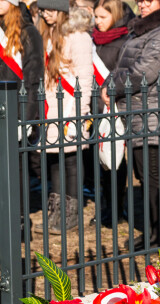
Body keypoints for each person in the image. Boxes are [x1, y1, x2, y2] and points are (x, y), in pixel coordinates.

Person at [103, 0, 160, 250]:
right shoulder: (144, 29)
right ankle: (155, 230)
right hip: (137, 112)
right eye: (140, 0)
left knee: (153, 176)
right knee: (145, 175)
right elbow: (123, 66)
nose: (142, 4)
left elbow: (143, 73)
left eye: (149, 0)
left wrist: (113, 86)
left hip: (153, 113)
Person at [34, 0, 94, 235]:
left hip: (70, 106)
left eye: (51, 9)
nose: (47, 14)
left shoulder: (78, 36)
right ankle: (57, 210)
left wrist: (79, 113)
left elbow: (84, 78)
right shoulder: (47, 33)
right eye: (44, 9)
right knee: (53, 160)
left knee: (70, 161)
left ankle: (71, 212)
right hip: (51, 106)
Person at [89, 0, 135, 227]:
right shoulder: (93, 40)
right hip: (93, 110)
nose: (97, 22)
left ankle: (117, 208)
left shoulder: (126, 41)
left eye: (102, 17)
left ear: (115, 16)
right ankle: (106, 206)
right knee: (100, 162)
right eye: (95, 17)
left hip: (115, 109)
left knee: (116, 161)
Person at [0, 0, 44, 240]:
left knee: (15, 172)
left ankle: (18, 224)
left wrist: (25, 120)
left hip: (16, 111)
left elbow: (33, 78)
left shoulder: (29, 33)